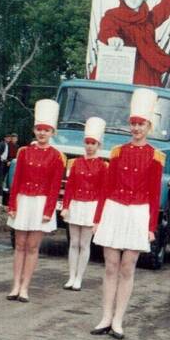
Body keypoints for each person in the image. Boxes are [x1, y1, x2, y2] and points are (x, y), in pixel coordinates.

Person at [91, 88, 164, 340]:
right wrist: (98, 218)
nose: (136, 128)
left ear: (148, 125)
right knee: (110, 266)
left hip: (138, 213)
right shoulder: (117, 152)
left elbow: (155, 195)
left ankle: (119, 320)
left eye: (141, 124)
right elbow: (105, 188)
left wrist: (151, 226)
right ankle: (105, 317)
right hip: (114, 210)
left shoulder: (156, 157)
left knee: (127, 266)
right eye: (133, 124)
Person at [6, 99, 65, 303]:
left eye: (46, 130)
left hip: (40, 204)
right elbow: (16, 181)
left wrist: (49, 211)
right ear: (34, 130)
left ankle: (25, 287)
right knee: (20, 244)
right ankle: (15, 284)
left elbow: (54, 187)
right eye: (39, 129)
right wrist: (12, 204)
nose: (42, 133)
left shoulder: (57, 157)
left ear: (52, 132)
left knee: (32, 246)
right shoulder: (24, 152)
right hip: (23, 201)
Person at [62, 117, 109, 291]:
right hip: (76, 204)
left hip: (91, 206)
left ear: (99, 145)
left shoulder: (103, 166)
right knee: (73, 242)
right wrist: (66, 206)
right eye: (87, 142)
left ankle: (79, 278)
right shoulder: (76, 163)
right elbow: (70, 186)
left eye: (93, 143)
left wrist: (98, 217)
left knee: (84, 244)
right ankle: (71, 276)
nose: (89, 146)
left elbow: (103, 193)